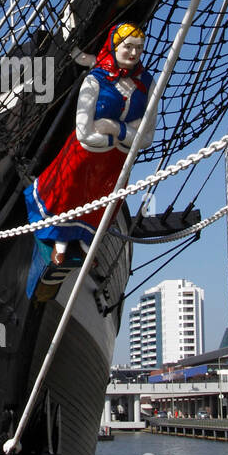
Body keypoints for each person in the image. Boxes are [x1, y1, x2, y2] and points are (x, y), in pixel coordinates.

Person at [24, 22, 156, 295]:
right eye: (127, 46)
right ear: (114, 46)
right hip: (84, 157)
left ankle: (85, 243)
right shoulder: (95, 80)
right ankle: (59, 245)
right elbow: (84, 133)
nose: (133, 53)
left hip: (113, 165)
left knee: (99, 205)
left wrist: (112, 127)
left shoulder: (148, 84)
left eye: (138, 48)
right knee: (68, 197)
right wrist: (122, 135)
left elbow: (146, 138)